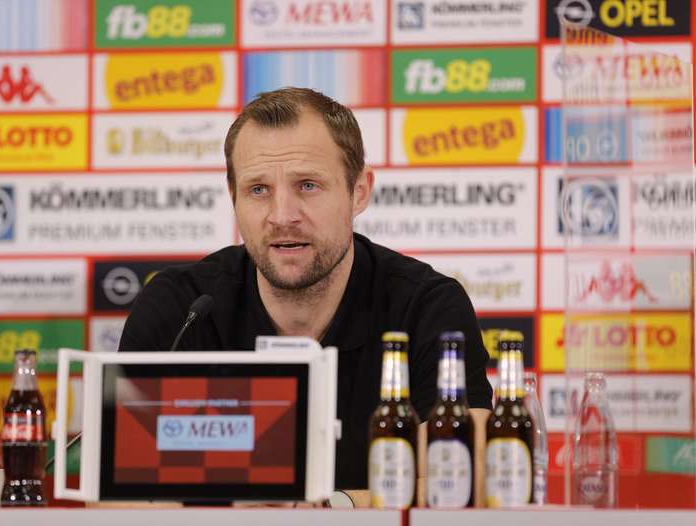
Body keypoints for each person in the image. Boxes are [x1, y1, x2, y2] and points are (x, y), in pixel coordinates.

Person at [118, 87, 493, 495]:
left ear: (360, 191)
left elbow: (464, 476)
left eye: (308, 186)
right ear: (233, 197)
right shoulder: (180, 308)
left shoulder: (427, 307)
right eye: (258, 189)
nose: (282, 216)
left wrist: (331, 511)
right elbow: (115, 487)